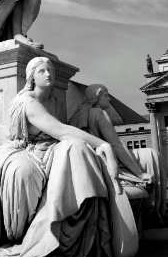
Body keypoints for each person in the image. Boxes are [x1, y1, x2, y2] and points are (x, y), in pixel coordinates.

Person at [0, 58, 125, 257]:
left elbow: (62, 133)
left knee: (75, 149)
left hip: (46, 150)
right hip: (23, 152)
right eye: (42, 71)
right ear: (31, 77)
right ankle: (25, 234)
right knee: (23, 172)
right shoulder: (27, 103)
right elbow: (61, 130)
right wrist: (104, 146)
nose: (48, 74)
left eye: (51, 71)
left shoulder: (53, 100)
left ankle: (69, 222)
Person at [69, 84, 167, 226]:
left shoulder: (77, 115)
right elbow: (117, 146)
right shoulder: (99, 113)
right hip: (104, 159)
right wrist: (140, 174)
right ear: (96, 96)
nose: (109, 99)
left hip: (88, 159)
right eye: (105, 95)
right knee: (152, 155)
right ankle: (154, 215)